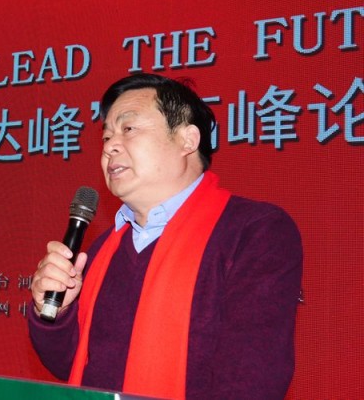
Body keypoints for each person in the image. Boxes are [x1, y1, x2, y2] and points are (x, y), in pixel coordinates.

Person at [28, 73, 303, 400]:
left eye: (129, 129)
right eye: (106, 137)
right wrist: (56, 314)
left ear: (188, 140)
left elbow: (251, 379)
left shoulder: (253, 232)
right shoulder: (103, 248)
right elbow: (74, 366)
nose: (110, 146)